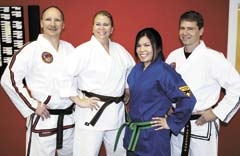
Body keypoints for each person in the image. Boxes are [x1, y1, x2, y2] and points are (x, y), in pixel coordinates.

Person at [1, 6, 78, 156]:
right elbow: (8, 79)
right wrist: (32, 105)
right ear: (41, 23)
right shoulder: (31, 49)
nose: (52, 24)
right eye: (48, 19)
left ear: (63, 24)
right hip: (44, 118)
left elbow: (78, 80)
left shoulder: (70, 49)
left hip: (68, 119)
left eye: (57, 20)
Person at [165, 10, 240, 156]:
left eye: (190, 28)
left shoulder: (213, 57)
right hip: (177, 123)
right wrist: (167, 106)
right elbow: (164, 87)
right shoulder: (173, 56)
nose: (185, 32)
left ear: (201, 31)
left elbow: (237, 86)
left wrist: (216, 112)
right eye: (182, 28)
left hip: (201, 124)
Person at [61, 10, 135, 156]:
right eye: (98, 24)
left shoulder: (119, 51)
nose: (102, 28)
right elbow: (64, 76)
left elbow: (130, 71)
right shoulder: (83, 51)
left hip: (116, 113)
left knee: (119, 153)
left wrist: (126, 89)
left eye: (106, 24)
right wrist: (78, 100)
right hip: (91, 112)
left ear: (112, 29)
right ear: (92, 27)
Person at [117, 27, 196, 156]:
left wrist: (171, 122)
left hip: (153, 139)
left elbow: (188, 97)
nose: (142, 50)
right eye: (139, 46)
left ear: (158, 47)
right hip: (134, 136)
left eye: (147, 45)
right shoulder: (136, 69)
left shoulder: (166, 72)